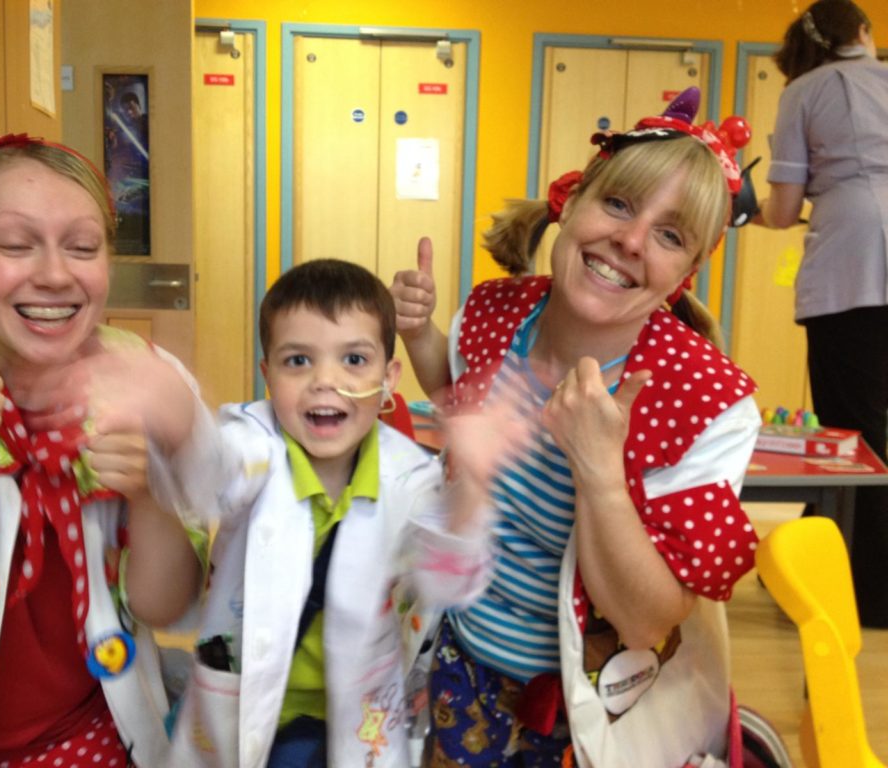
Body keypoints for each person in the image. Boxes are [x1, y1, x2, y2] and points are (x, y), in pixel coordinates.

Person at [390, 88, 763, 766]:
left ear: (686, 272)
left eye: (670, 235)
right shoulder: (497, 313)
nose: (630, 240)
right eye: (618, 203)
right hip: (458, 667)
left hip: (589, 713)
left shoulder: (707, 404)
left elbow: (645, 622)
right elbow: (459, 395)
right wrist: (420, 334)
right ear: (571, 199)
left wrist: (599, 471)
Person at [0, 134, 204, 767]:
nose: (54, 274)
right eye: (17, 245)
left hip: (98, 739)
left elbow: (168, 607)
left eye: (83, 247)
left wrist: (147, 493)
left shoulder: (144, 383)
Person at [166, 258, 510, 768]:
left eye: (353, 359)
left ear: (389, 379)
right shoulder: (253, 441)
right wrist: (172, 420)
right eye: (298, 361)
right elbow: (212, 472)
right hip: (241, 708)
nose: (325, 381)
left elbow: (446, 584)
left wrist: (473, 490)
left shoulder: (410, 478)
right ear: (267, 375)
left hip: (356, 720)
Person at [752, 0, 888, 629]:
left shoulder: (803, 92)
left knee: (853, 437)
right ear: (862, 32)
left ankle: (865, 590)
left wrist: (742, 209)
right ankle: (819, 558)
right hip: (860, 255)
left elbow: (782, 210)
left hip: (850, 266)